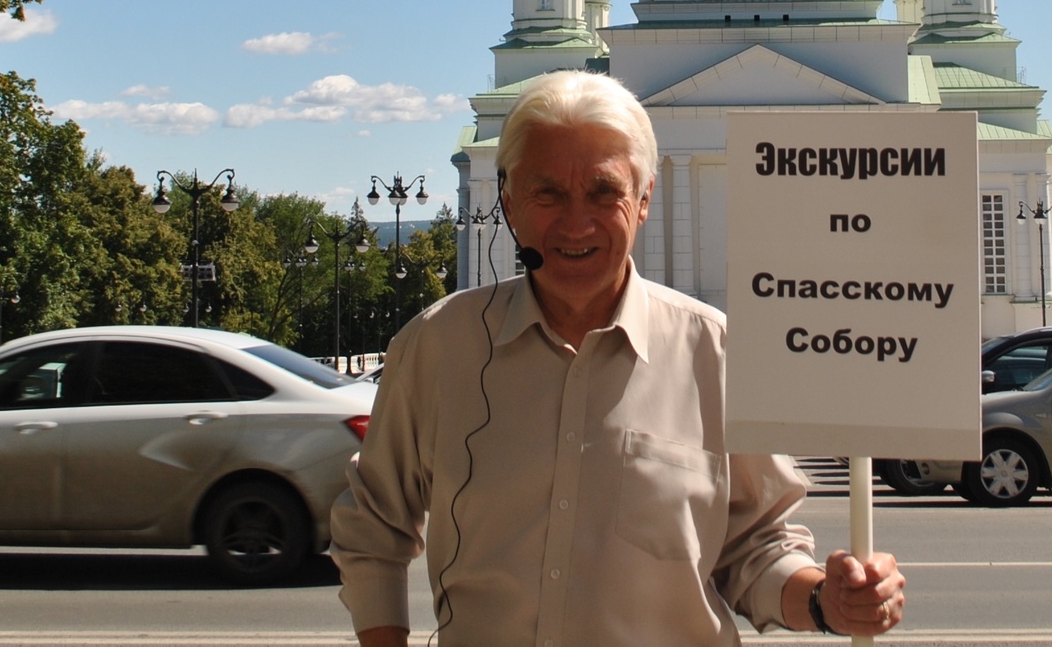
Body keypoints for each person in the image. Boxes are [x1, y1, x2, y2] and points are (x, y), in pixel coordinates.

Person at [331, 70, 907, 644]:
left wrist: (824, 599)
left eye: (604, 191)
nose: (576, 222)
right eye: (548, 191)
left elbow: (757, 547)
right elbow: (370, 528)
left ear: (644, 200)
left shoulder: (714, 352)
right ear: (509, 202)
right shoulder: (439, 347)